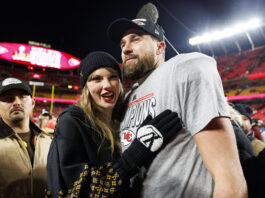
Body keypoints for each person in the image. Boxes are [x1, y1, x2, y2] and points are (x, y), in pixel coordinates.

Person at [107, 17, 247, 197]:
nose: (126, 49)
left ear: (160, 47)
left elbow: (230, 181)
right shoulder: (126, 96)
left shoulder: (184, 68)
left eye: (136, 39)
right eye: (122, 44)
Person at [45, 51, 182, 198]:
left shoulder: (121, 120)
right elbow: (78, 190)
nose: (107, 85)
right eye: (96, 79)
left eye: (113, 77)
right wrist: (133, 157)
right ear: (86, 87)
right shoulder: (71, 122)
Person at [0, 77, 52, 198]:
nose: (17, 102)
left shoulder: (49, 141)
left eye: (23, 96)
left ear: (33, 102)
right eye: (8, 99)